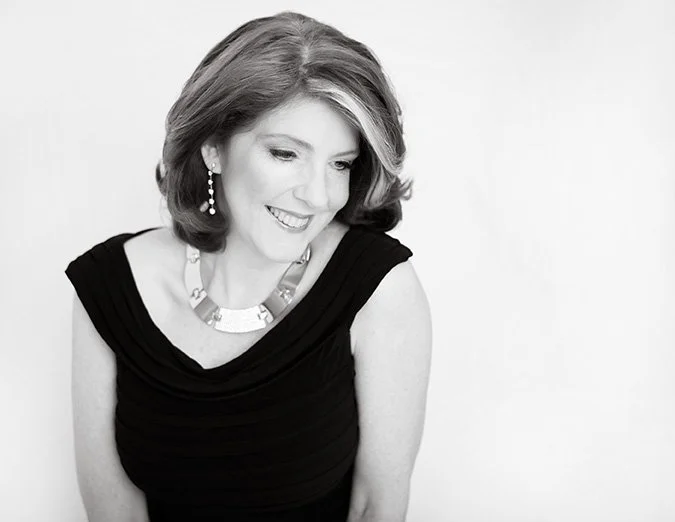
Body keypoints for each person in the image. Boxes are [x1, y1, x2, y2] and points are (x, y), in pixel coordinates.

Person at [65, 11, 432, 522]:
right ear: (213, 147)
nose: (318, 195)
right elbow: (113, 510)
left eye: (340, 164)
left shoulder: (379, 288)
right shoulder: (108, 287)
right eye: (285, 154)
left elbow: (377, 506)